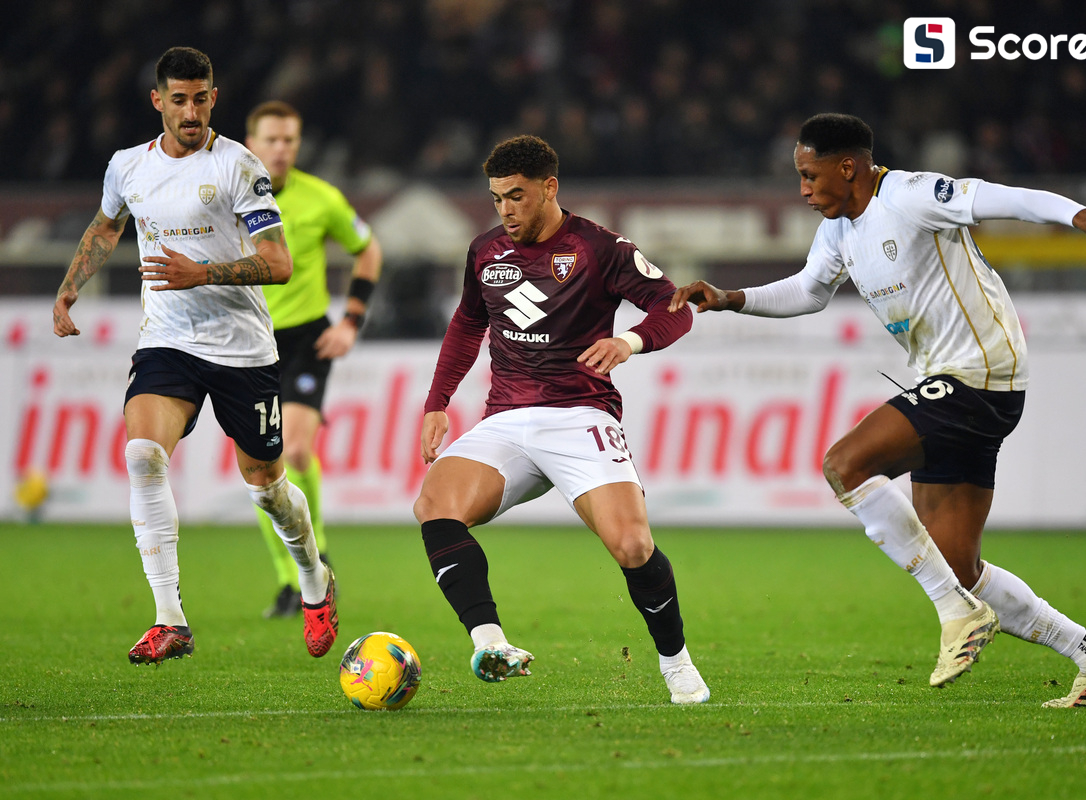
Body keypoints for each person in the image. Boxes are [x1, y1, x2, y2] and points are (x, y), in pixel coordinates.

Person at [670, 113, 1086, 708]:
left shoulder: (912, 194)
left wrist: (1082, 217)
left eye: (808, 174)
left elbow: (1007, 199)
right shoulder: (839, 230)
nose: (802, 189)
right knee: (957, 564)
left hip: (980, 375)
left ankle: (955, 613)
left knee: (845, 465)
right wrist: (728, 299)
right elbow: (808, 291)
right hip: (955, 384)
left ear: (847, 166)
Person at [51, 47, 338, 665]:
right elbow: (106, 228)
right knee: (143, 457)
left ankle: (314, 578)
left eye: (200, 98)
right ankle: (170, 619)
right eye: (178, 99)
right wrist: (70, 287)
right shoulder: (127, 166)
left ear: (214, 97)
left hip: (242, 349)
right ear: (158, 101)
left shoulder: (240, 166)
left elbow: (279, 263)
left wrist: (202, 273)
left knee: (265, 485)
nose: (190, 110)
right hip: (168, 342)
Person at [413, 135, 709, 704]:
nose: (505, 210)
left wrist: (629, 341)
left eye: (517, 196)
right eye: (497, 198)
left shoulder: (600, 248)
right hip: (507, 417)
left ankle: (677, 667)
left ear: (550, 187)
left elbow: (673, 309)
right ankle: (490, 641)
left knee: (632, 546)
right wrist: (437, 402)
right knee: (435, 506)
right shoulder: (484, 250)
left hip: (580, 414)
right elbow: (466, 326)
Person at [244, 101, 383, 618]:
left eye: (290, 141)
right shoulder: (226, 198)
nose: (282, 150)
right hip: (246, 342)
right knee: (262, 466)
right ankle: (289, 578)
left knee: (297, 452)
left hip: (305, 339)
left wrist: (351, 319)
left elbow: (368, 249)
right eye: (273, 140)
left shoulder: (321, 198)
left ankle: (315, 553)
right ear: (251, 143)